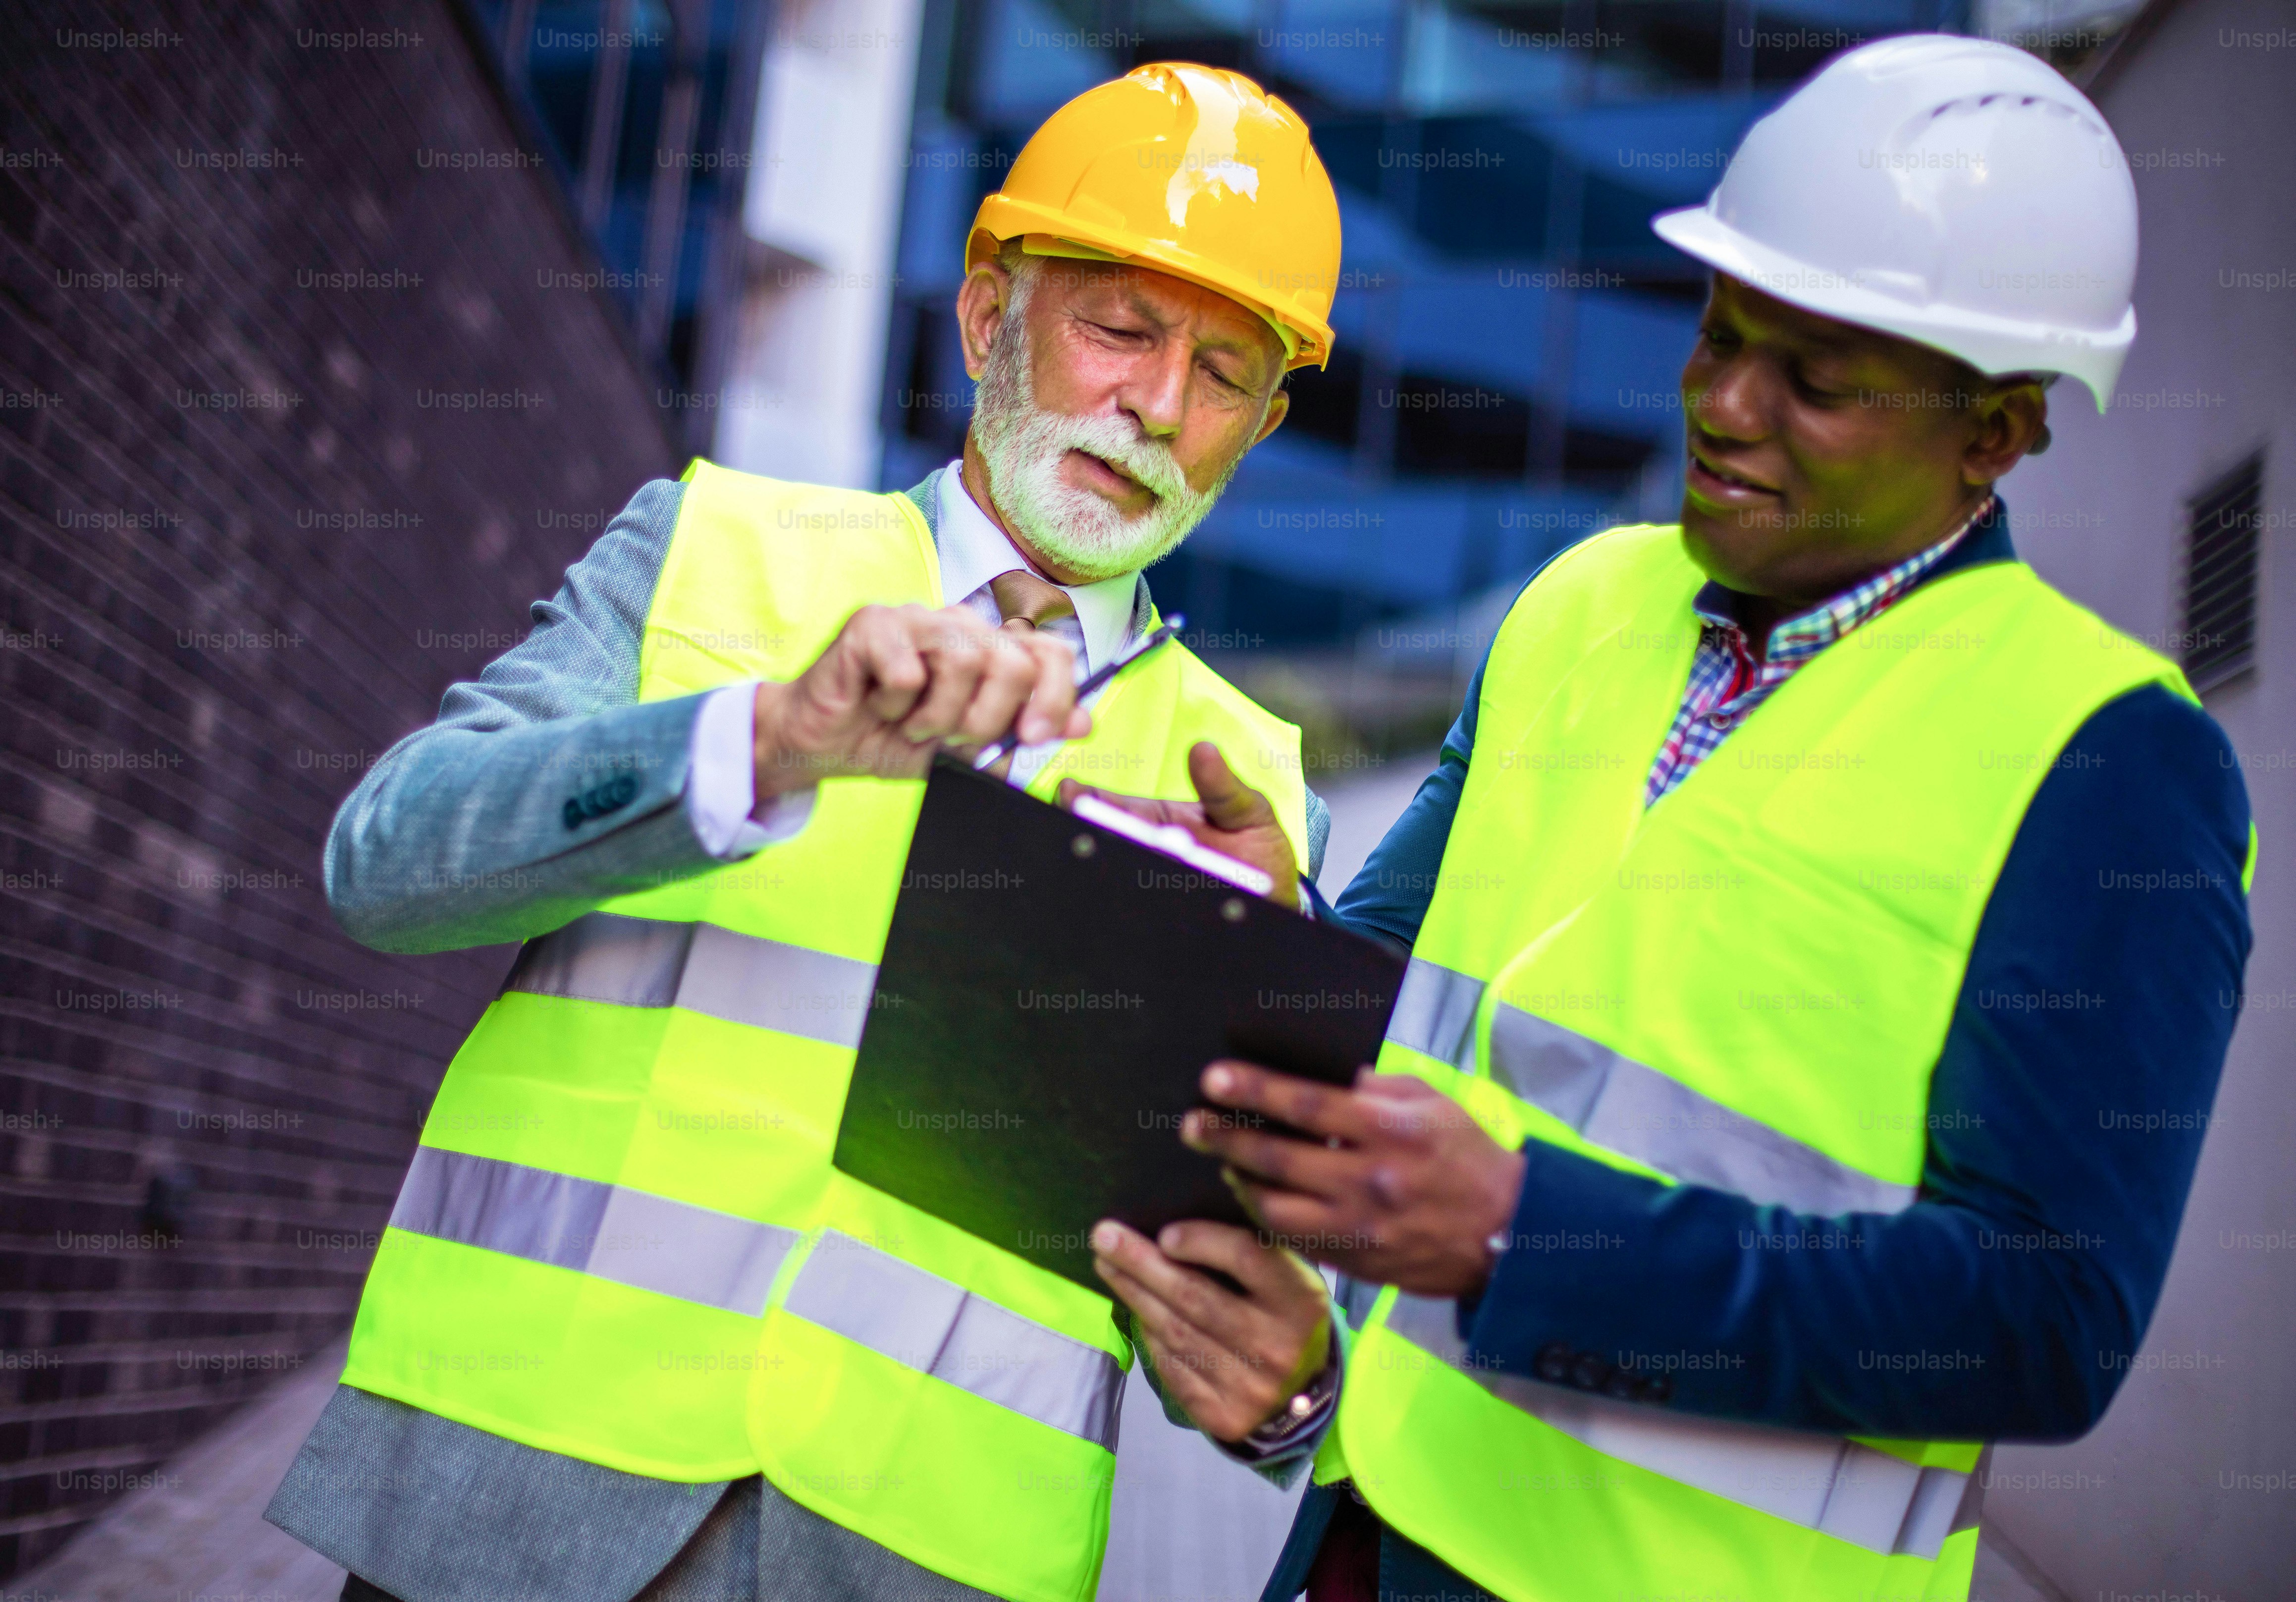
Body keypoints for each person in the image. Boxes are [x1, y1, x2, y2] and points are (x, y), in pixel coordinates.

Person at [1088, 35, 2255, 1602]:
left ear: (1995, 429)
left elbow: (2042, 1319)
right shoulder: (1581, 607)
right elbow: (1383, 1003)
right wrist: (1265, 914)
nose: (1722, 405)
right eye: (1718, 336)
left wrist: (1525, 1235)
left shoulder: (2107, 759)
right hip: (1374, 1544)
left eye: (1815, 381)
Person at [264, 63, 1346, 1602]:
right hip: (511, 1496)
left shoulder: (1264, 795)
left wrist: (1298, 1383)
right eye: (1118, 326)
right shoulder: (711, 548)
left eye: (1224, 370)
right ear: (987, 315)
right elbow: (384, 862)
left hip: (919, 1557)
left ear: (1261, 421)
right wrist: (767, 742)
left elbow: (1228, 1313)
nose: (1158, 406)